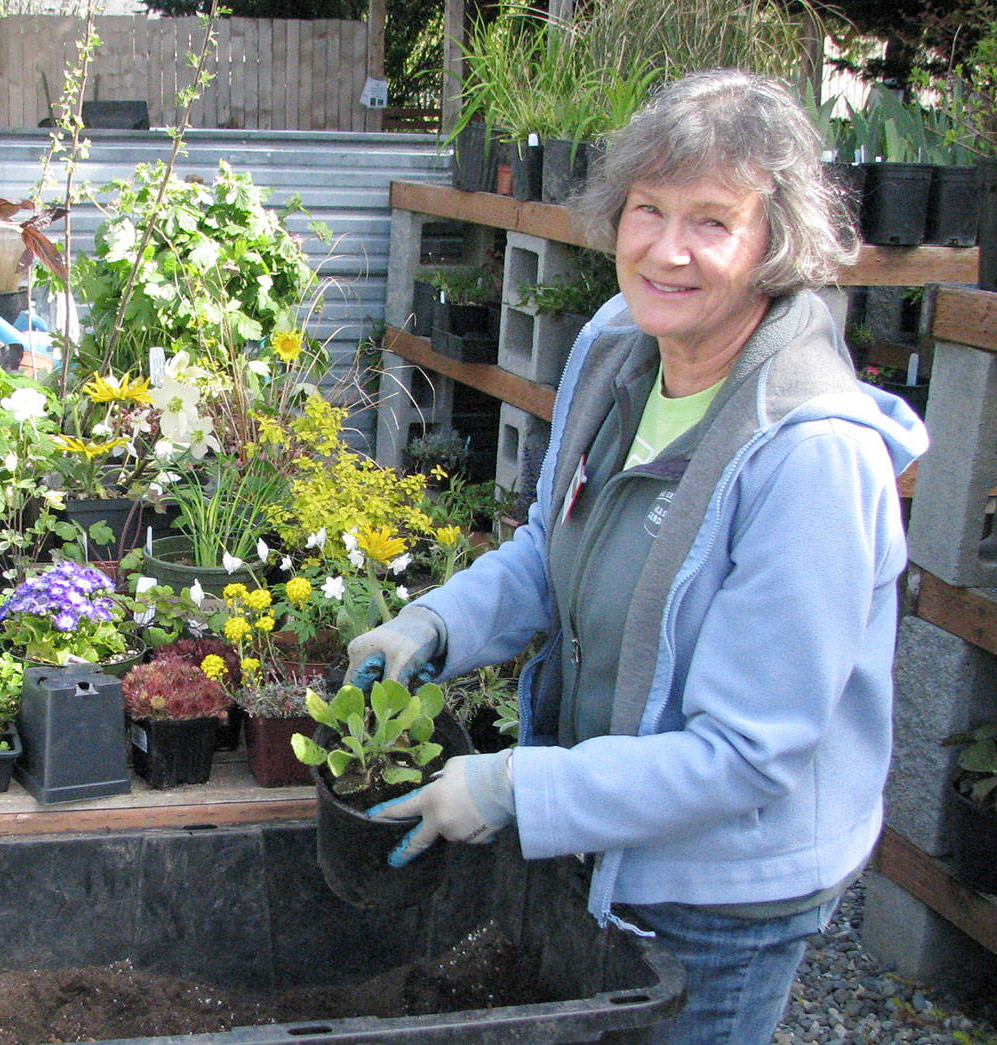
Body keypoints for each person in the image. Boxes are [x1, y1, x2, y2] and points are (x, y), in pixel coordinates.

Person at [345, 69, 929, 1045]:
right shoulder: (619, 349)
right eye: (646, 210)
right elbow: (549, 547)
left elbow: (746, 751)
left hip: (714, 904)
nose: (665, 249)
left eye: (710, 221)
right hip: (599, 841)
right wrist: (434, 623)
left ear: (772, 244)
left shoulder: (808, 455)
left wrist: (510, 787)